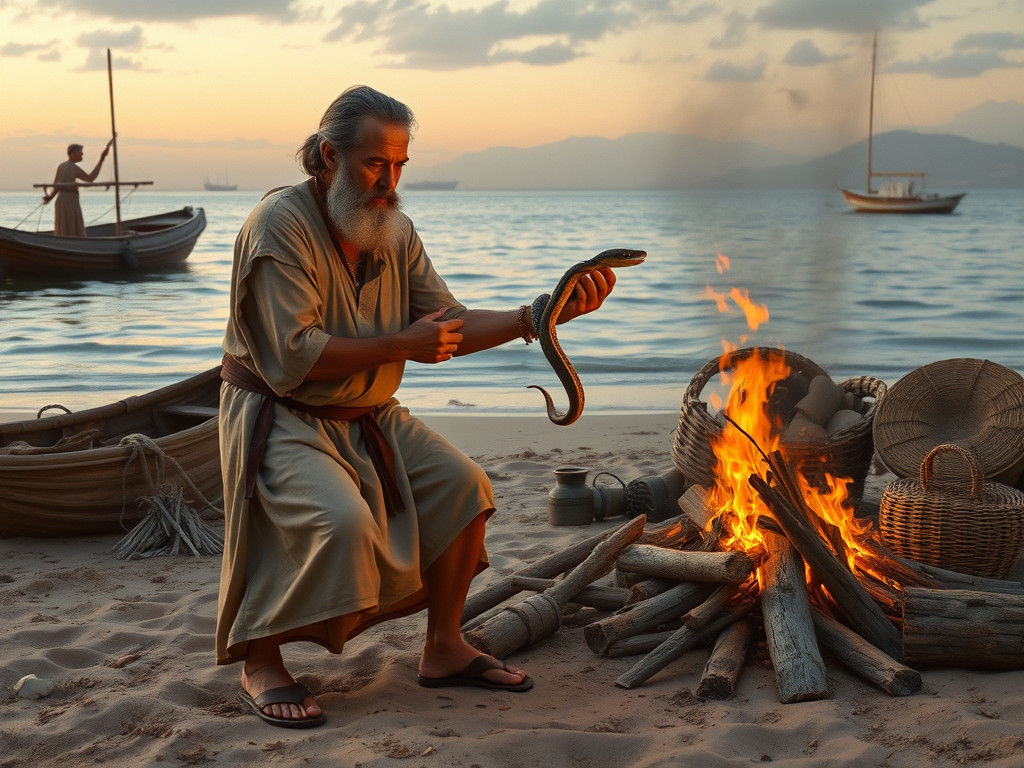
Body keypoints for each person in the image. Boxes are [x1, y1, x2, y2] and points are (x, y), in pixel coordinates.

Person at [217, 85, 616, 729]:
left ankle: (444, 647)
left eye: (401, 165)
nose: (390, 181)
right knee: (342, 525)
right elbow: (296, 357)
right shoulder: (279, 227)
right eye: (377, 163)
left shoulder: (392, 230)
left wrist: (536, 316)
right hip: (284, 414)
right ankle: (260, 659)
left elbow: (447, 323)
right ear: (329, 155)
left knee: (466, 487)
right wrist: (404, 343)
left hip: (369, 414)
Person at [42, 138, 115, 237]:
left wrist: (49, 199)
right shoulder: (72, 167)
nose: (82, 155)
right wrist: (101, 160)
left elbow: (57, 187)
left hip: (62, 200)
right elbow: (90, 178)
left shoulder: (61, 166)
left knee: (65, 227)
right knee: (71, 227)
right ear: (73, 153)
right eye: (80, 152)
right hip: (69, 201)